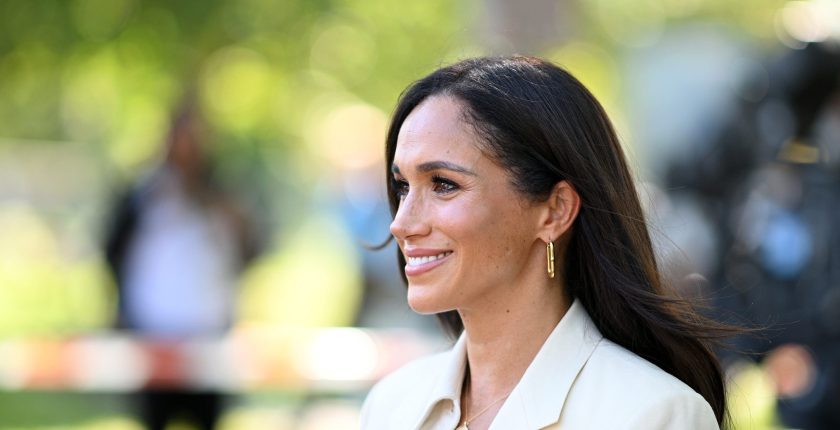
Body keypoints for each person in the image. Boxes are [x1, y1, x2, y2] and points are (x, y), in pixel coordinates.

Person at [360, 56, 733, 429]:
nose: (400, 223)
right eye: (402, 187)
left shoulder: (653, 413)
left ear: (555, 211)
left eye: (443, 184)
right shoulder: (391, 405)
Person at [104, 101, 259, 430]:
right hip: (153, 330)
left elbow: (252, 248)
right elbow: (112, 251)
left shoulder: (224, 194)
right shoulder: (143, 194)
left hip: (208, 330)